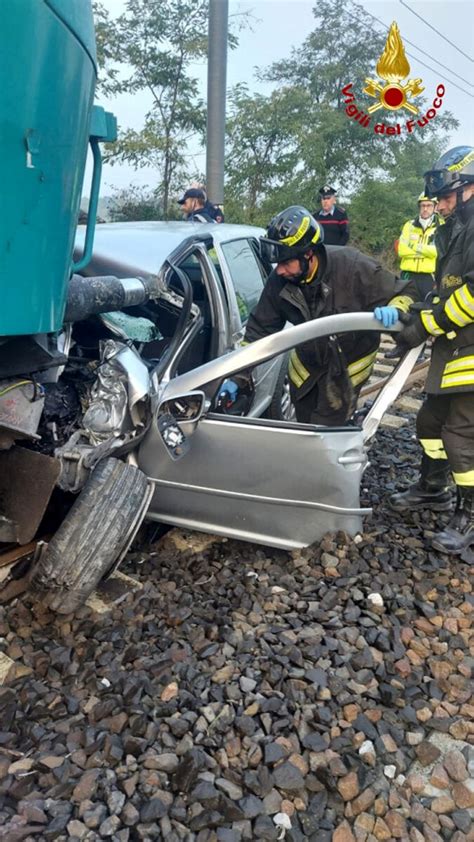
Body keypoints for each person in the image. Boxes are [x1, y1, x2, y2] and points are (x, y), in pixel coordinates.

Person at [241, 205, 414, 426]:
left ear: (308, 254)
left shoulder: (352, 267)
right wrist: (239, 373)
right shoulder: (280, 281)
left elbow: (406, 292)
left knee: (327, 427)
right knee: (305, 423)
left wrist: (397, 308)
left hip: (347, 366)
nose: (280, 270)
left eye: (286, 263)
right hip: (306, 366)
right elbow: (259, 328)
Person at [382, 146, 474, 556]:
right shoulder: (455, 231)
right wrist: (413, 314)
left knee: (460, 438)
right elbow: (446, 290)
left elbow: (471, 297)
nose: (439, 206)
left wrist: (425, 327)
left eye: (447, 197)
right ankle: (434, 489)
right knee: (428, 424)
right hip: (457, 350)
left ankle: (468, 515)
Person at [397, 192, 439, 302]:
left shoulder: (441, 226)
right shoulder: (409, 225)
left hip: (428, 277)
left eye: (429, 205)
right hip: (407, 275)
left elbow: (436, 251)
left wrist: (413, 246)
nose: (425, 209)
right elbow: (402, 250)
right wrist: (426, 252)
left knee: (427, 307)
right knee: (404, 305)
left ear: (435, 207)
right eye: (423, 205)